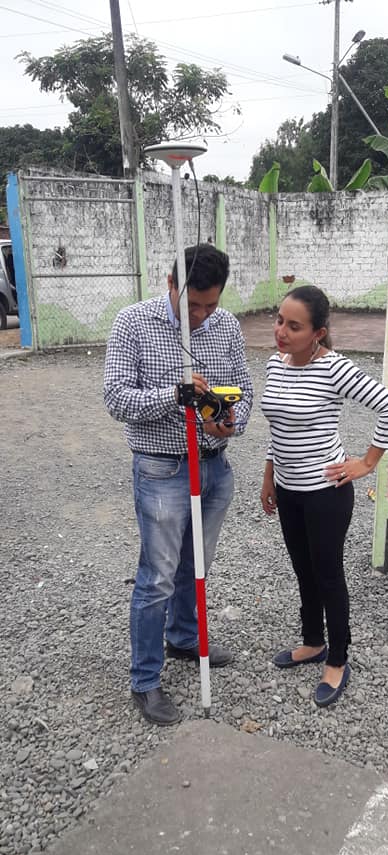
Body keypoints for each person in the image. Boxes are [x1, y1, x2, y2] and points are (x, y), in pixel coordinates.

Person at [104, 244, 253, 725]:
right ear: (171, 283)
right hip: (162, 470)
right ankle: (145, 679)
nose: (203, 315)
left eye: (211, 305)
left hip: (214, 467)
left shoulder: (226, 326)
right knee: (158, 576)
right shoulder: (134, 323)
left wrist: (230, 422)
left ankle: (184, 638)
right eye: (194, 305)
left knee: (196, 565)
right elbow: (116, 398)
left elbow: (245, 390)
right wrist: (174, 396)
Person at [260, 285, 388, 707]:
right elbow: (278, 428)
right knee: (303, 570)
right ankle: (313, 642)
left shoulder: (334, 368)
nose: (281, 332)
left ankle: (338, 659)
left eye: (294, 326)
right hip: (288, 490)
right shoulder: (275, 363)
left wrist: (367, 462)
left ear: (318, 333)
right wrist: (269, 476)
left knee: (327, 575)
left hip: (325, 494)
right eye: (279, 321)